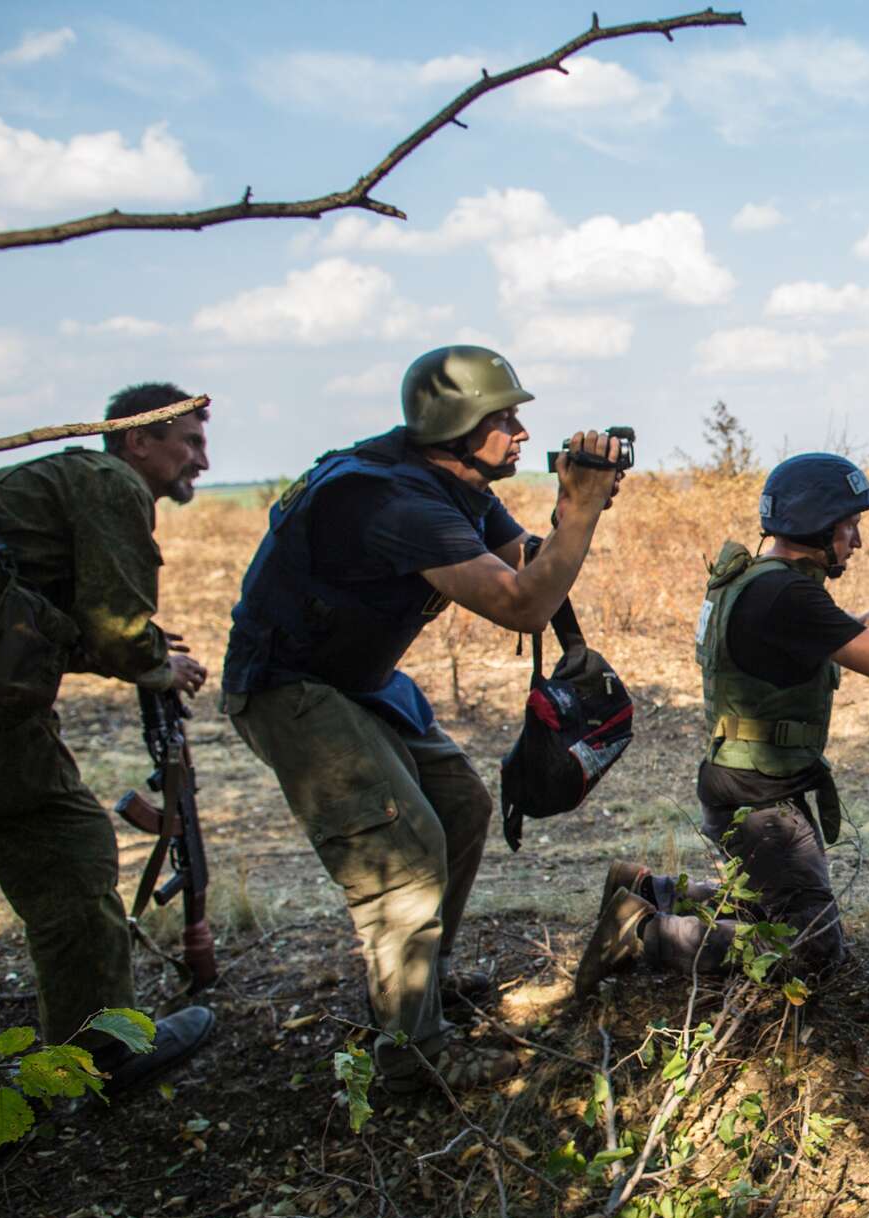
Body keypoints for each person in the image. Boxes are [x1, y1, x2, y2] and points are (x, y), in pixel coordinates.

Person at [221, 346, 623, 1092]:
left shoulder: (457, 482)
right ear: (455, 424)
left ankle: (420, 989)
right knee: (403, 848)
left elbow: (525, 562)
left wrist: (576, 512)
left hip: (356, 680)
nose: (519, 433)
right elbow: (520, 602)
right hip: (290, 687)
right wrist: (582, 511)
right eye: (503, 418)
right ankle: (410, 1054)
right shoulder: (392, 500)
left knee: (461, 805)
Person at [0, 383, 219, 1110]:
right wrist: (153, 660)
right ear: (136, 438)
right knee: (64, 846)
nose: (203, 459)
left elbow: (31, 610)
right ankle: (98, 1057)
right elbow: (115, 628)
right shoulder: (109, 480)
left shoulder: (34, 490)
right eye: (189, 440)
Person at [575, 452, 869, 989]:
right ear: (819, 525)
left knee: (764, 906)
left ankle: (649, 888)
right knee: (811, 946)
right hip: (759, 801)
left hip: (743, 783)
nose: (859, 541)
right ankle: (640, 933)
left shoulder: (765, 582)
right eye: (851, 526)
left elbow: (863, 632)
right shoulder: (788, 595)